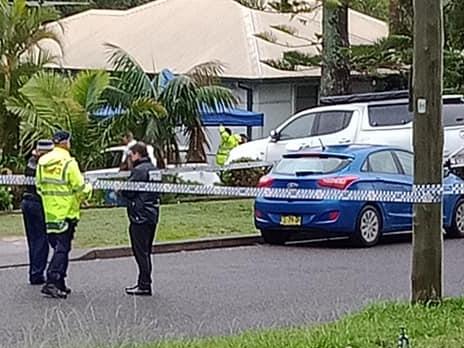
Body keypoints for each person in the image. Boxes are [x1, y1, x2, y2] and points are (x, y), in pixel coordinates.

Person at [36, 131, 92, 299]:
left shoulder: (42, 162)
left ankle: (60, 282)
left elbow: (39, 186)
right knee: (63, 248)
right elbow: (80, 187)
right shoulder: (69, 162)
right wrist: (88, 190)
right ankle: (52, 281)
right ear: (65, 143)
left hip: (49, 212)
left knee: (59, 247)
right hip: (67, 212)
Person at [120, 142, 159, 296]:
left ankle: (144, 284)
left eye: (131, 154)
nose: (130, 157)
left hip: (139, 215)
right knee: (146, 251)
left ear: (137, 154)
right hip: (152, 214)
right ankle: (144, 282)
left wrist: (120, 191)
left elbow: (128, 190)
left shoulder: (139, 171)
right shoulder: (154, 170)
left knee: (140, 252)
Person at [21, 140, 54, 285]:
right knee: (41, 240)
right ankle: (37, 273)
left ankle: (35, 271)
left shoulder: (31, 162)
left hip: (27, 202)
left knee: (33, 240)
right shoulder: (41, 166)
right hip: (37, 203)